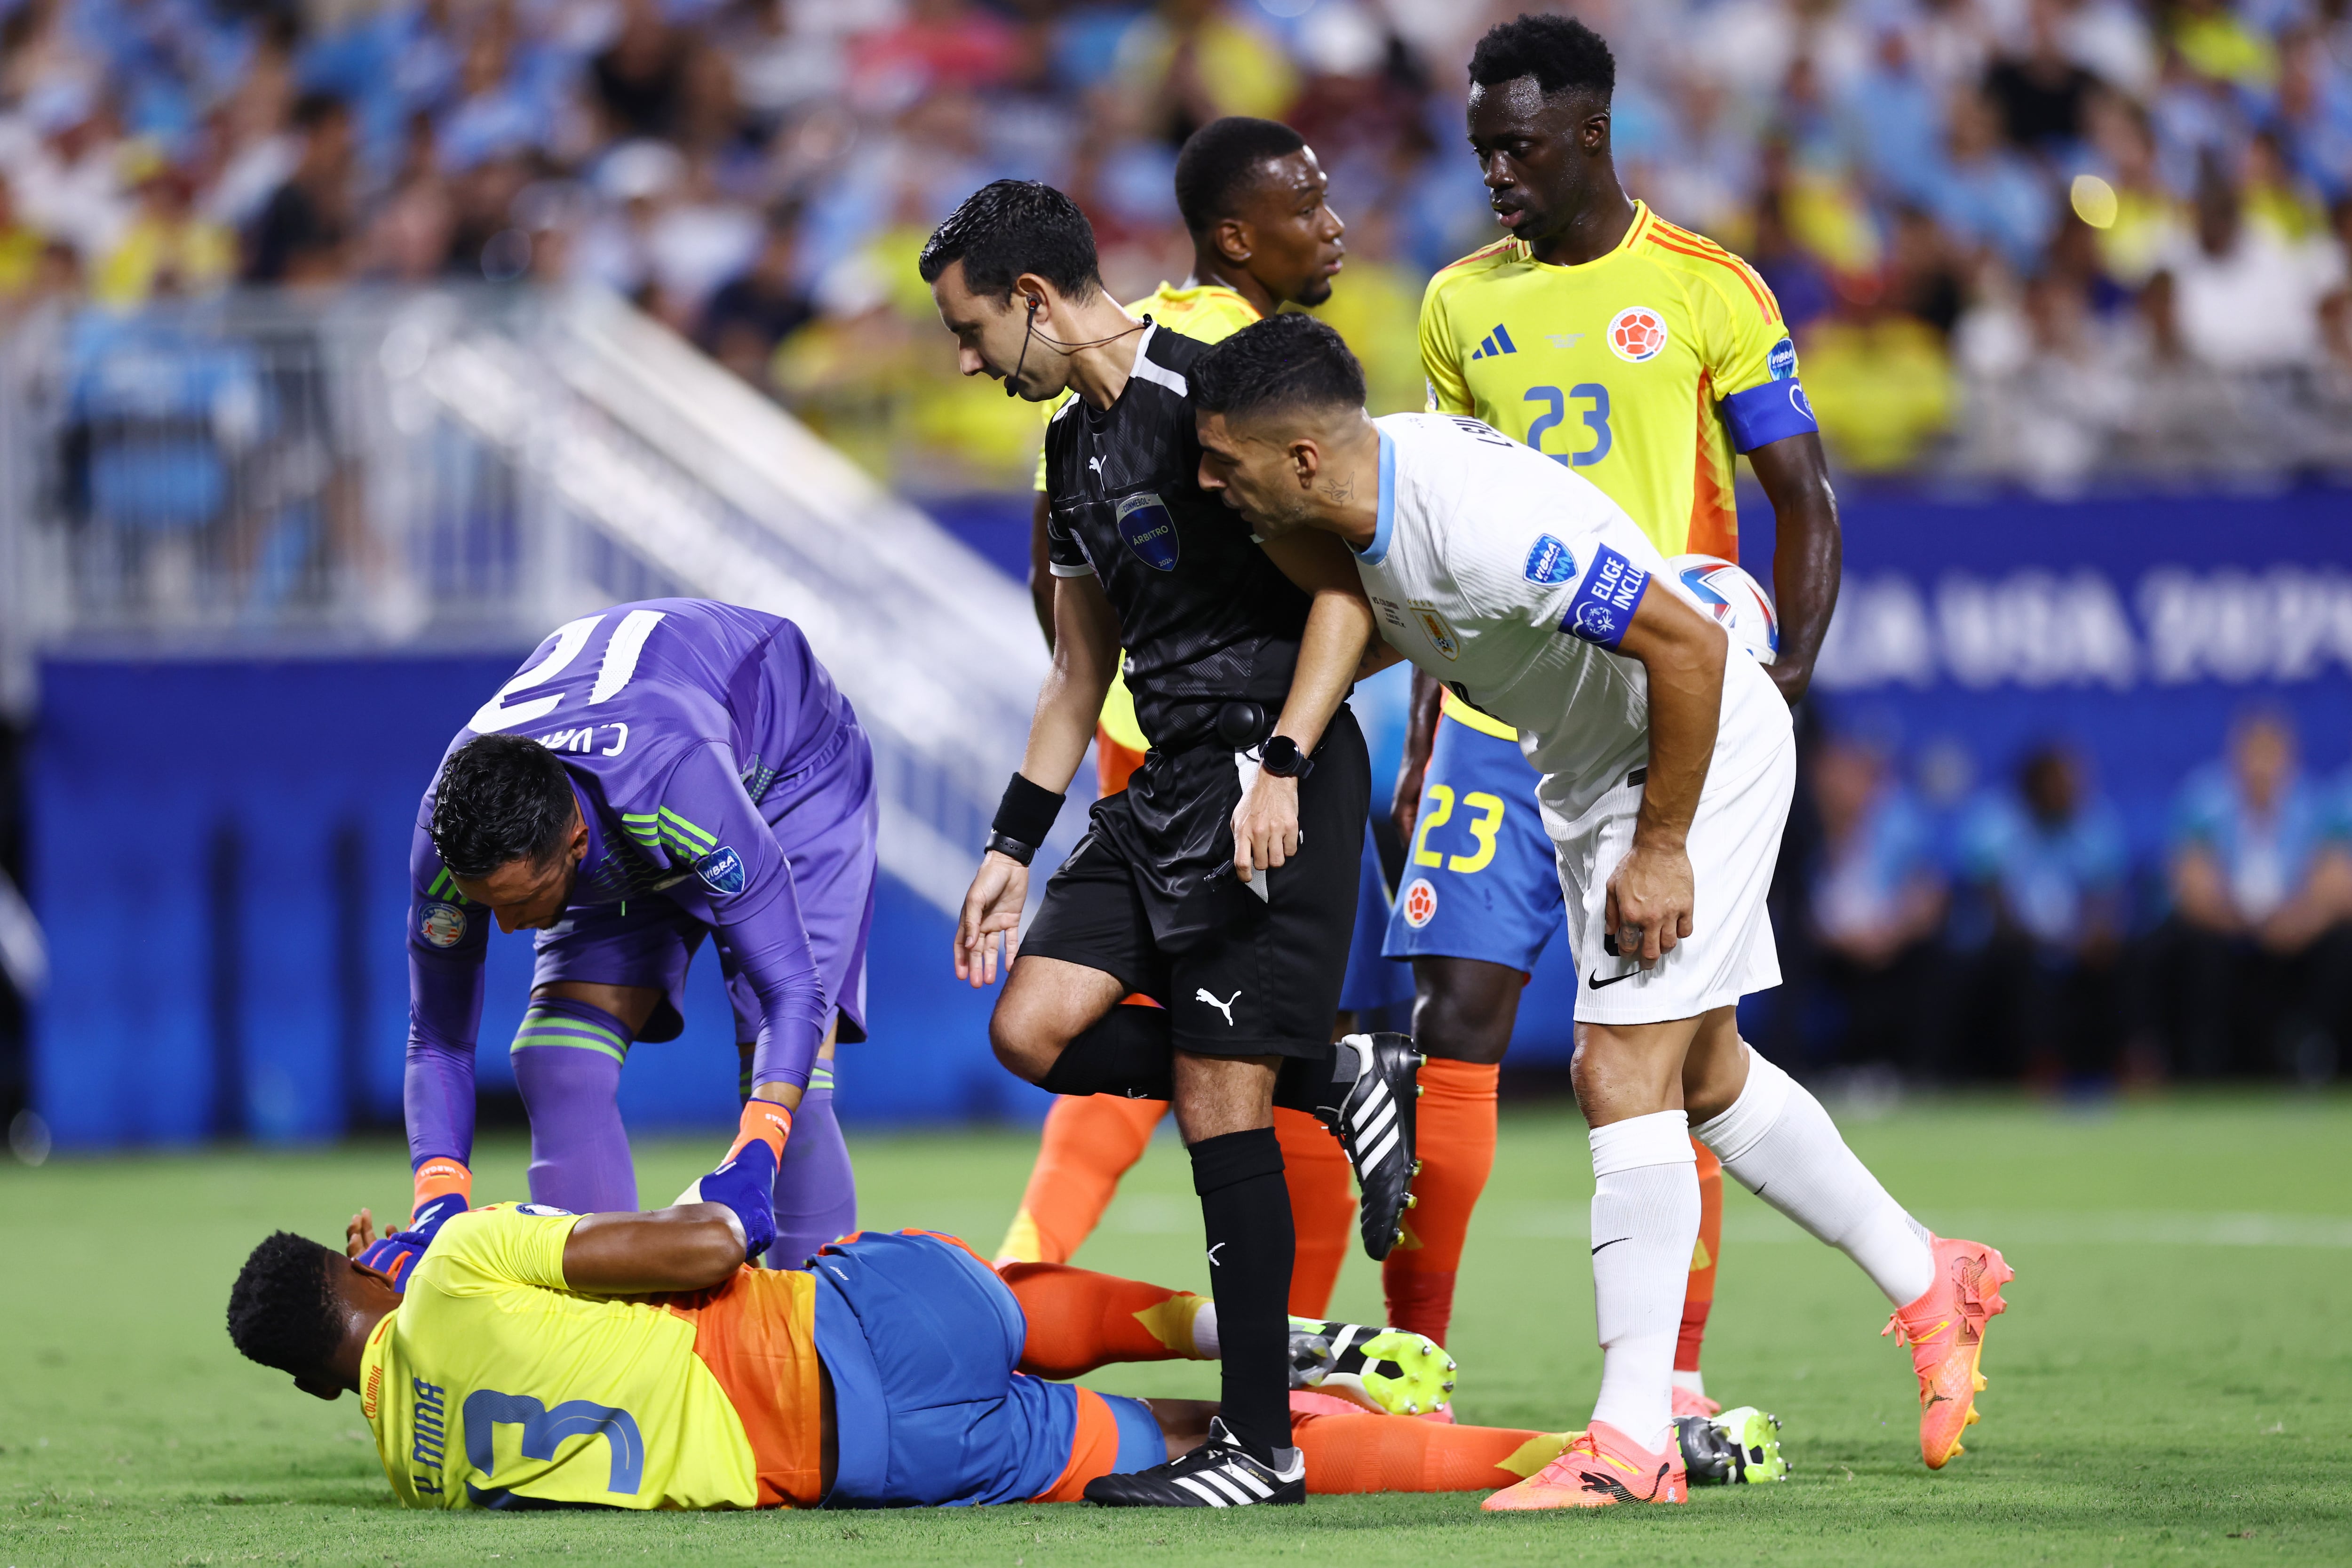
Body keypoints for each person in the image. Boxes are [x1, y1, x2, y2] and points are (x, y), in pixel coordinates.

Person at [1187, 311, 2011, 1508]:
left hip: (1689, 753)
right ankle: (1931, 1274)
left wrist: (1664, 846)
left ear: (1302, 458)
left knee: (1615, 1071)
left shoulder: (1480, 526)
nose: (1212, 484)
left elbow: (1683, 650)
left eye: (1223, 463)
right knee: (1709, 1075)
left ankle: (1630, 1443)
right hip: (1586, 772)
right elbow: (1370, 610)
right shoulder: (1355, 505)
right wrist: (1281, 751)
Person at [920, 179, 1420, 1506]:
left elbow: (1344, 600)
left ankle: (1259, 1446)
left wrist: (1288, 763)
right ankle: (1334, 1067)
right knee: (1029, 1027)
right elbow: (1077, 671)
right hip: (1164, 785)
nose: (966, 361)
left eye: (973, 330)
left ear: (1035, 298)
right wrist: (1010, 846)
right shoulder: (1065, 452)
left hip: (1269, 770)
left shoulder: (1214, 399)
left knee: (1214, 1098)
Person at [1378, 13, 1843, 1402]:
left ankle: (1677, 1386)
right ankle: (1413, 1355)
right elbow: (1429, 528)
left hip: (1651, 713)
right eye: (1478, 150)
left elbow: (1802, 503)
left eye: (1513, 146)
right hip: (1488, 706)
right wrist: (1415, 737)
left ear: (1588, 131)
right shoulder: (1458, 301)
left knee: (1672, 1039)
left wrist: (1782, 682)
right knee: (1448, 1018)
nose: (1493, 173)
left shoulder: (1707, 288)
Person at [993, 116, 1373, 1331]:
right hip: (1197, 742)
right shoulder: (1210, 361)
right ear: (1234, 235)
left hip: (1216, 736)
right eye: (1308, 205)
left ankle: (1281, 1362)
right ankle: (1298, 1358)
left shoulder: (1190, 350)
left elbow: (1062, 590)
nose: (1335, 223)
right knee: (1226, 1057)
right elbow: (1338, 573)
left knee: (1226, 1059)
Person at [223, 1168, 1562, 1511]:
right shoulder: (452, 1264)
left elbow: (412, 1363)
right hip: (838, 1323)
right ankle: (1279, 1333)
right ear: (359, 1263)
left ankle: (1552, 1459)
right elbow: (702, 1254)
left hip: (875, 1461)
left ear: (305, 1376)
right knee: (1029, 1301)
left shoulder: (413, 1463)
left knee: (1198, 1450)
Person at [405, 598, 872, 1276]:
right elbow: (439, 1038)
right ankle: (610, 1342)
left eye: (522, 902)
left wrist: (756, 1149)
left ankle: (824, 1346)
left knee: (787, 1081)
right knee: (557, 1058)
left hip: (791, 769)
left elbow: (791, 992)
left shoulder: (676, 786)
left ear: (574, 841)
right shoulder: (442, 846)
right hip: (633, 792)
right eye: (488, 905)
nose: (504, 927)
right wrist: (437, 1203)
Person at [2166, 711, 2352, 1078]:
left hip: (2295, 930)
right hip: (2228, 928)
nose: (2261, 768)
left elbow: (2336, 887)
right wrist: (2241, 922)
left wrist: (2299, 921)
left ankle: (2314, 1050)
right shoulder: (2205, 804)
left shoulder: (2318, 808)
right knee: (2192, 943)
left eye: (2271, 756)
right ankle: (2204, 1064)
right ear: (2235, 758)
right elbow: (2193, 886)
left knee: (2343, 942)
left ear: (2289, 760)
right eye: (2253, 755)